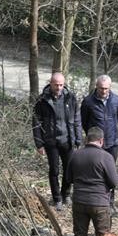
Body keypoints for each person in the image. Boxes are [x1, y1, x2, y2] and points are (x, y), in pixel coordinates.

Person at [65, 127, 118, 236]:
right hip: (99, 203)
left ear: (87, 139)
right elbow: (114, 182)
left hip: (79, 201)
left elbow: (68, 178)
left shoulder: (75, 155)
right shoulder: (106, 157)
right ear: (101, 140)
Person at [33, 73, 82, 210]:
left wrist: (78, 139)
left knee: (69, 169)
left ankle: (66, 194)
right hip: (51, 141)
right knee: (54, 170)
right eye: (56, 85)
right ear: (51, 83)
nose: (59, 87)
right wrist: (39, 144)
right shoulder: (42, 100)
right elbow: (36, 123)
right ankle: (57, 198)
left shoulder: (70, 98)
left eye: (61, 85)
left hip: (67, 140)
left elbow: (77, 119)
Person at [81, 74, 118, 161]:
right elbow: (84, 121)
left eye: (106, 88)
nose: (103, 91)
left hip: (112, 142)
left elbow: (117, 118)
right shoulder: (88, 101)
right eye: (101, 88)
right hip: (95, 143)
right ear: (96, 86)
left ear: (110, 87)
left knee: (109, 168)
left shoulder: (116, 100)